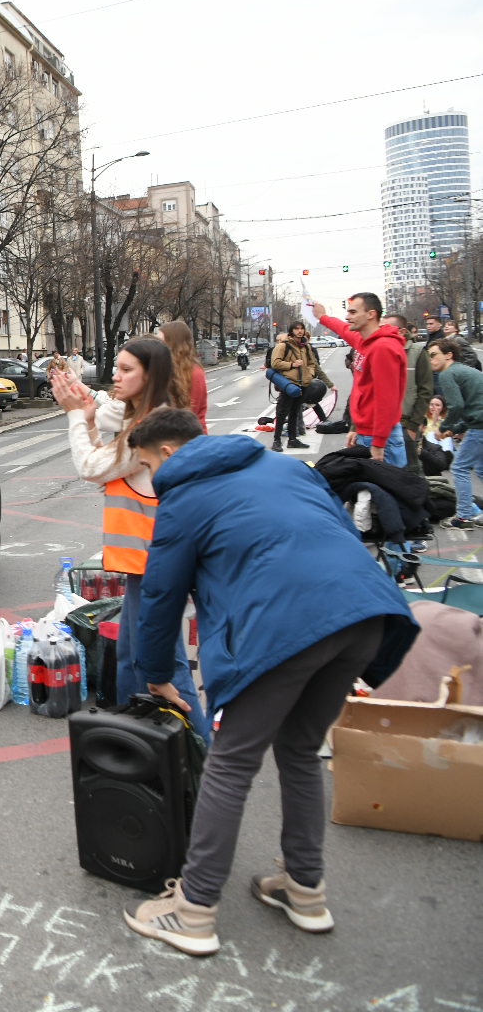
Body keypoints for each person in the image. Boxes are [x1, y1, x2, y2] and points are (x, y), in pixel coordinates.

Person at [120, 407, 416, 957]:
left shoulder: (183, 498)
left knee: (232, 762)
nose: (143, 476)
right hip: (364, 614)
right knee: (301, 752)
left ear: (166, 453)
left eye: (142, 464)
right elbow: (332, 531)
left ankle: (195, 910)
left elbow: (160, 597)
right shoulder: (285, 465)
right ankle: (304, 891)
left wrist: (157, 676)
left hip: (286, 628)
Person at [51, 338, 210, 741]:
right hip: (143, 561)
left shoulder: (149, 430)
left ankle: (196, 754)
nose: (115, 376)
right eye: (116, 368)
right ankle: (139, 742)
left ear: (150, 376)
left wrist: (75, 415)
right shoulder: (139, 416)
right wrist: (83, 408)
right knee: (129, 658)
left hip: (157, 561)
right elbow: (104, 415)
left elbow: (91, 465)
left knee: (163, 665)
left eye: (126, 370)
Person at [309, 292, 406, 464]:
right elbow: (344, 330)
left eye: (353, 312)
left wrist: (378, 442)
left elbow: (387, 400)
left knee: (387, 488)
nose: (347, 317)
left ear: (371, 314)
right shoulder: (366, 340)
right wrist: (322, 316)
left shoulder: (383, 348)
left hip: (382, 440)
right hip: (367, 433)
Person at [428, 338, 483, 529]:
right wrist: (455, 429)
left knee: (459, 468)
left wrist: (442, 429)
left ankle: (464, 517)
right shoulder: (464, 370)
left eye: (434, 355)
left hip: (480, 427)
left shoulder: (448, 374)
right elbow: (471, 408)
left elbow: (457, 406)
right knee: (481, 470)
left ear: (448, 355)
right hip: (479, 424)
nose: (431, 360)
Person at [386, 314, 434, 472]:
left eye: (386, 329)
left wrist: (413, 425)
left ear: (402, 331)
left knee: (411, 471)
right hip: (384, 425)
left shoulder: (417, 352)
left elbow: (425, 391)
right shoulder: (382, 352)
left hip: (407, 424)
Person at [268, 322, 321, 451]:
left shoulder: (306, 346)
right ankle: (277, 441)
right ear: (291, 331)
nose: (300, 331)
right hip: (289, 384)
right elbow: (274, 363)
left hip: (303, 384)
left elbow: (312, 363)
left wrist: (310, 374)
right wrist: (292, 365)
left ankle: (292, 439)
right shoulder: (283, 346)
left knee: (295, 412)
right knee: (282, 412)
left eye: (302, 328)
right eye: (297, 329)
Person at [158, 320, 207, 429]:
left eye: (161, 341)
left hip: (189, 439)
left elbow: (191, 413)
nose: (157, 345)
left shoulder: (194, 373)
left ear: (173, 344)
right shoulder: (165, 368)